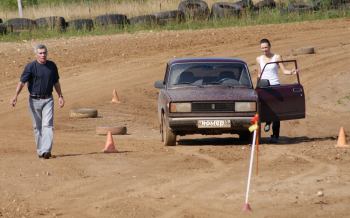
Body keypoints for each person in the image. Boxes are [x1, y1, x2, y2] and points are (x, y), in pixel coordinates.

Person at [11, 44, 65, 159]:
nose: (43, 55)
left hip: (48, 99)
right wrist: (15, 96)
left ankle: (46, 151)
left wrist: (60, 96)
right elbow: (22, 82)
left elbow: (56, 82)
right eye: (40, 53)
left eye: (44, 53)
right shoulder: (30, 67)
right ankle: (41, 151)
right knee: (37, 127)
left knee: (48, 125)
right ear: (36, 54)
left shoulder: (52, 66)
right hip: (34, 100)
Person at [256, 38, 297, 143]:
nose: (264, 49)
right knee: (264, 110)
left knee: (277, 113)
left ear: (270, 46)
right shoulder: (258, 59)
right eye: (262, 48)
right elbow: (259, 74)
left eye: (266, 47)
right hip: (264, 88)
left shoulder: (277, 57)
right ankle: (268, 121)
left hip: (275, 86)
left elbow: (284, 71)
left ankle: (275, 136)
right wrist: (257, 86)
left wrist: (291, 72)